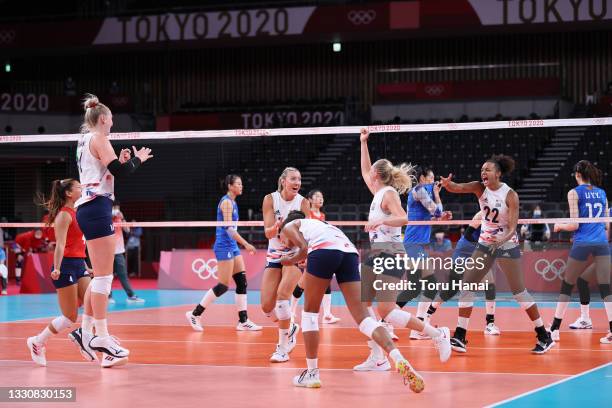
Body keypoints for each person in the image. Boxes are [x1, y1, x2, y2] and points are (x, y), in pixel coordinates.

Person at [279, 211, 426, 392]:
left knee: (309, 314)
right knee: (364, 318)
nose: (283, 243)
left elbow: (302, 249)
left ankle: (312, 373)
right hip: (349, 252)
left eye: (282, 239)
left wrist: (289, 259)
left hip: (325, 250)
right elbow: (312, 250)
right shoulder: (321, 225)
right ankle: (398, 358)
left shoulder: (289, 226)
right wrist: (305, 257)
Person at [355, 128, 451, 372]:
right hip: (377, 252)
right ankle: (377, 357)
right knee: (363, 304)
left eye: (371, 173)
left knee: (386, 310)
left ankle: (437, 334)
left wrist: (381, 221)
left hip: (390, 253)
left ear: (377, 175)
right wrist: (363, 143)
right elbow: (365, 169)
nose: (368, 175)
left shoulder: (387, 194)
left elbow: (404, 218)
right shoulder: (377, 191)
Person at [67, 94, 153, 368]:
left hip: (89, 207)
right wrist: (137, 160)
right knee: (104, 278)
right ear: (103, 119)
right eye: (112, 119)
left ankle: (86, 331)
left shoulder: (83, 140)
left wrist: (121, 161)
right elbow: (121, 171)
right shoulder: (100, 138)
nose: (113, 123)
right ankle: (101, 337)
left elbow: (107, 169)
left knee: (102, 276)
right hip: (96, 207)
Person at [439, 154, 554, 354]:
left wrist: (502, 240)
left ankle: (544, 335)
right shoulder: (479, 187)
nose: (483, 172)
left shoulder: (510, 195)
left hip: (506, 243)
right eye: (482, 169)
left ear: (498, 174)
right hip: (485, 243)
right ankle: (460, 335)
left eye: (488, 169)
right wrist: (448, 185)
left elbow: (512, 226)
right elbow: (457, 188)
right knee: (467, 284)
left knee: (519, 292)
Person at [26, 179, 93, 366]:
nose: (82, 188)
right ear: (69, 194)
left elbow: (78, 243)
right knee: (69, 317)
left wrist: (86, 265)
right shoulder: (64, 215)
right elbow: (61, 244)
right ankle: (37, 342)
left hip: (79, 265)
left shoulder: (77, 212)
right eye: (79, 187)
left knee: (92, 302)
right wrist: (56, 267)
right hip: (65, 266)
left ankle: (84, 338)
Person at [186, 174, 262, 332]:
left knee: (242, 282)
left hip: (232, 245)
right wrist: (246, 243)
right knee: (223, 286)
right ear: (230, 186)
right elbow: (228, 229)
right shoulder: (226, 203)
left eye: (242, 184)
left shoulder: (233, 202)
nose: (242, 186)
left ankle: (243, 321)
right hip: (223, 246)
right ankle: (195, 314)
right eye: (238, 184)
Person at [550, 160, 611, 344]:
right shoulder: (602, 193)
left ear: (578, 175)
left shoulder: (574, 193)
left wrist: (559, 226)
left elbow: (575, 224)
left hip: (583, 242)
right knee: (605, 288)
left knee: (567, 285)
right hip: (601, 242)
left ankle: (554, 329)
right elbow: (606, 224)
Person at [261, 167, 311, 363]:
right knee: (266, 306)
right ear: (283, 181)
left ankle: (282, 347)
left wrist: (300, 246)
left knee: (283, 296)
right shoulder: (270, 199)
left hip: (294, 254)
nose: (297, 183)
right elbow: (267, 233)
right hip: (274, 254)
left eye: (299, 179)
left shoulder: (303, 203)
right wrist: (275, 228)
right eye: (293, 179)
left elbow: (307, 231)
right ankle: (289, 326)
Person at [426, 212, 501, 335]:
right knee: (451, 290)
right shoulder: (481, 214)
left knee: (490, 286)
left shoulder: (502, 217)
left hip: (481, 252)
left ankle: (490, 324)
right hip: (465, 250)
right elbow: (469, 234)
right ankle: (427, 314)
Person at [400, 166, 452, 341]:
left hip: (416, 245)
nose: (432, 182)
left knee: (413, 289)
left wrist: (441, 214)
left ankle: (385, 320)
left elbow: (436, 214)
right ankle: (419, 326)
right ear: (422, 178)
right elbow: (435, 211)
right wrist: (437, 194)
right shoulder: (418, 190)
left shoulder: (423, 193)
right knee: (431, 283)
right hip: (413, 244)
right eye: (430, 178)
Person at [290, 189, 340, 324]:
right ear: (310, 200)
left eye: (321, 196)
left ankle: (327, 315)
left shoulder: (322, 215)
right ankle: (292, 311)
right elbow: (303, 234)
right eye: (317, 196)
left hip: (321, 250)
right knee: (303, 282)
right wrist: (304, 255)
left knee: (326, 280)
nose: (320, 199)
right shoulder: (308, 215)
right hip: (309, 252)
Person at [108, 204, 144, 304]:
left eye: (118, 208)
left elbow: (127, 230)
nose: (116, 210)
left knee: (123, 275)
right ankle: (108, 297)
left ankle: (131, 296)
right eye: (114, 208)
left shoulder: (120, 218)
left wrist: (122, 219)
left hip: (119, 251)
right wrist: (111, 216)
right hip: (107, 252)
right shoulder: (106, 217)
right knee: (108, 276)